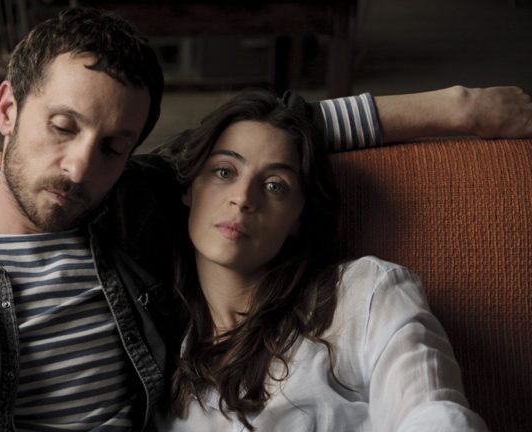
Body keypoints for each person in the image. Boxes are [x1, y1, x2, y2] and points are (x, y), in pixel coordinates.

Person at [0, 6, 529, 432]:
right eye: (62, 127)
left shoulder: (134, 207)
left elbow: (269, 133)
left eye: (113, 146)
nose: (79, 169)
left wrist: (461, 110)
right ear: (7, 108)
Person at [154, 88, 488, 431]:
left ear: (298, 217)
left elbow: (435, 417)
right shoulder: (150, 353)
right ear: (189, 186)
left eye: (274, 186)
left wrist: (462, 106)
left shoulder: (363, 296)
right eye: (225, 171)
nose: (242, 198)